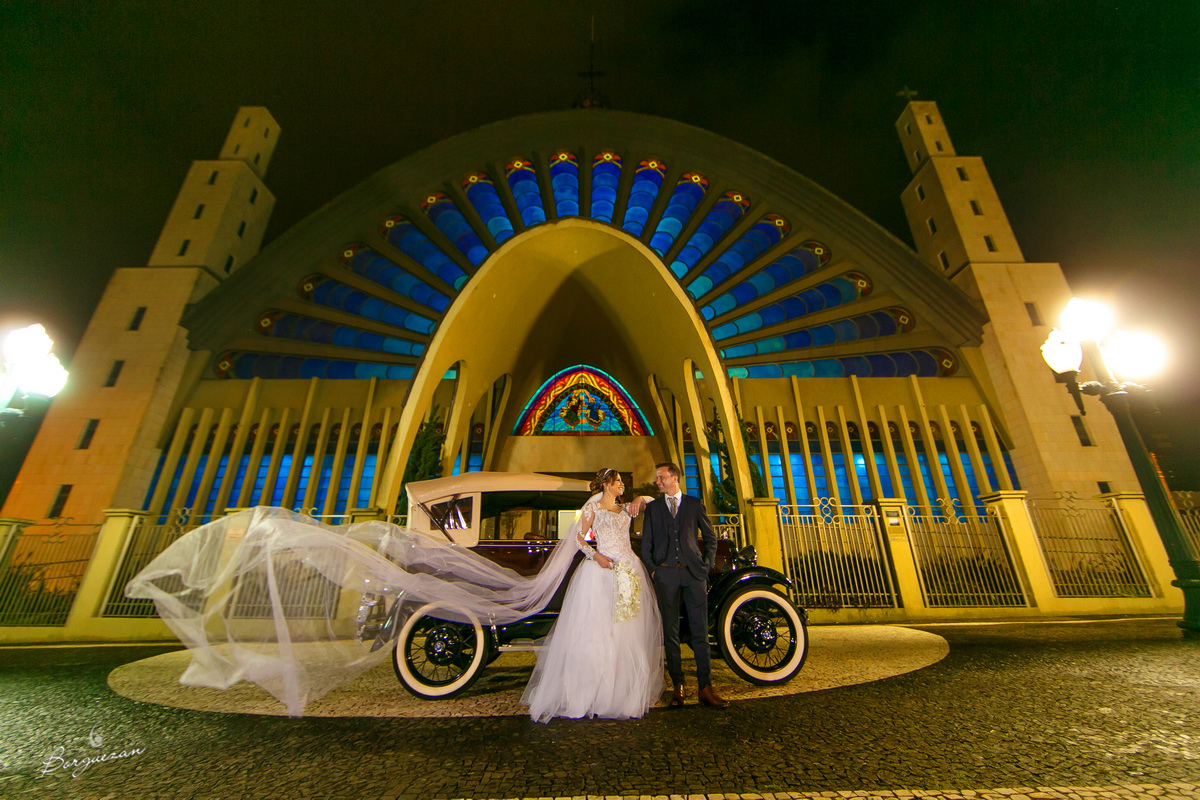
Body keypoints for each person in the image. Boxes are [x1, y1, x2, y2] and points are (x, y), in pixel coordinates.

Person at [521, 468, 664, 722]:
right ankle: (594, 691)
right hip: (601, 571)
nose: (622, 485)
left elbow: (655, 503)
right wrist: (595, 555)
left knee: (626, 630)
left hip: (628, 569)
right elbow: (578, 537)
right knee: (599, 631)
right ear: (607, 484)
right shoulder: (593, 509)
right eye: (618, 481)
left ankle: (620, 692)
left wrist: (642, 499)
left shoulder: (624, 508)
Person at [640, 461, 729, 708]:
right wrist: (654, 571)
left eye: (661, 477)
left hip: (693, 575)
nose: (657, 481)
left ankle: (705, 687)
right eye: (657, 478)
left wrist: (705, 566)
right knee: (670, 633)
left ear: (674, 478)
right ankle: (678, 686)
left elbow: (710, 539)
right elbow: (646, 545)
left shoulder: (693, 504)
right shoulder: (655, 508)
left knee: (700, 631)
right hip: (666, 575)